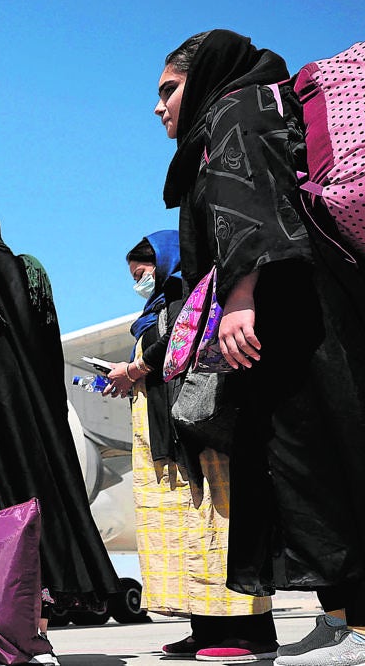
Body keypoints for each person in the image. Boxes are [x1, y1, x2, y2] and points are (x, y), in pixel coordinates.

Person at [156, 30, 365, 666]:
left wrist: (241, 294)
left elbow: (251, 202)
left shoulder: (238, 109)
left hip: (310, 318)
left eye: (169, 90)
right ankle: (340, 622)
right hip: (294, 318)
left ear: (206, 75)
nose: (160, 106)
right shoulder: (250, 110)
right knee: (294, 468)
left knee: (333, 462)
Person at [0, 196, 119, 643]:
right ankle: (41, 632)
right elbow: (51, 348)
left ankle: (8, 632)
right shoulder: (31, 270)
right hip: (42, 421)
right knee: (42, 514)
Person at [104, 232, 278, 661]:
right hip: (171, 434)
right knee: (188, 533)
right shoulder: (155, 311)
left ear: (163, 264)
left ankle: (250, 633)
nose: (139, 284)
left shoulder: (188, 294)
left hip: (203, 432)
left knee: (218, 527)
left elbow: (184, 343)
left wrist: (135, 367)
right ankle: (204, 629)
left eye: (142, 274)